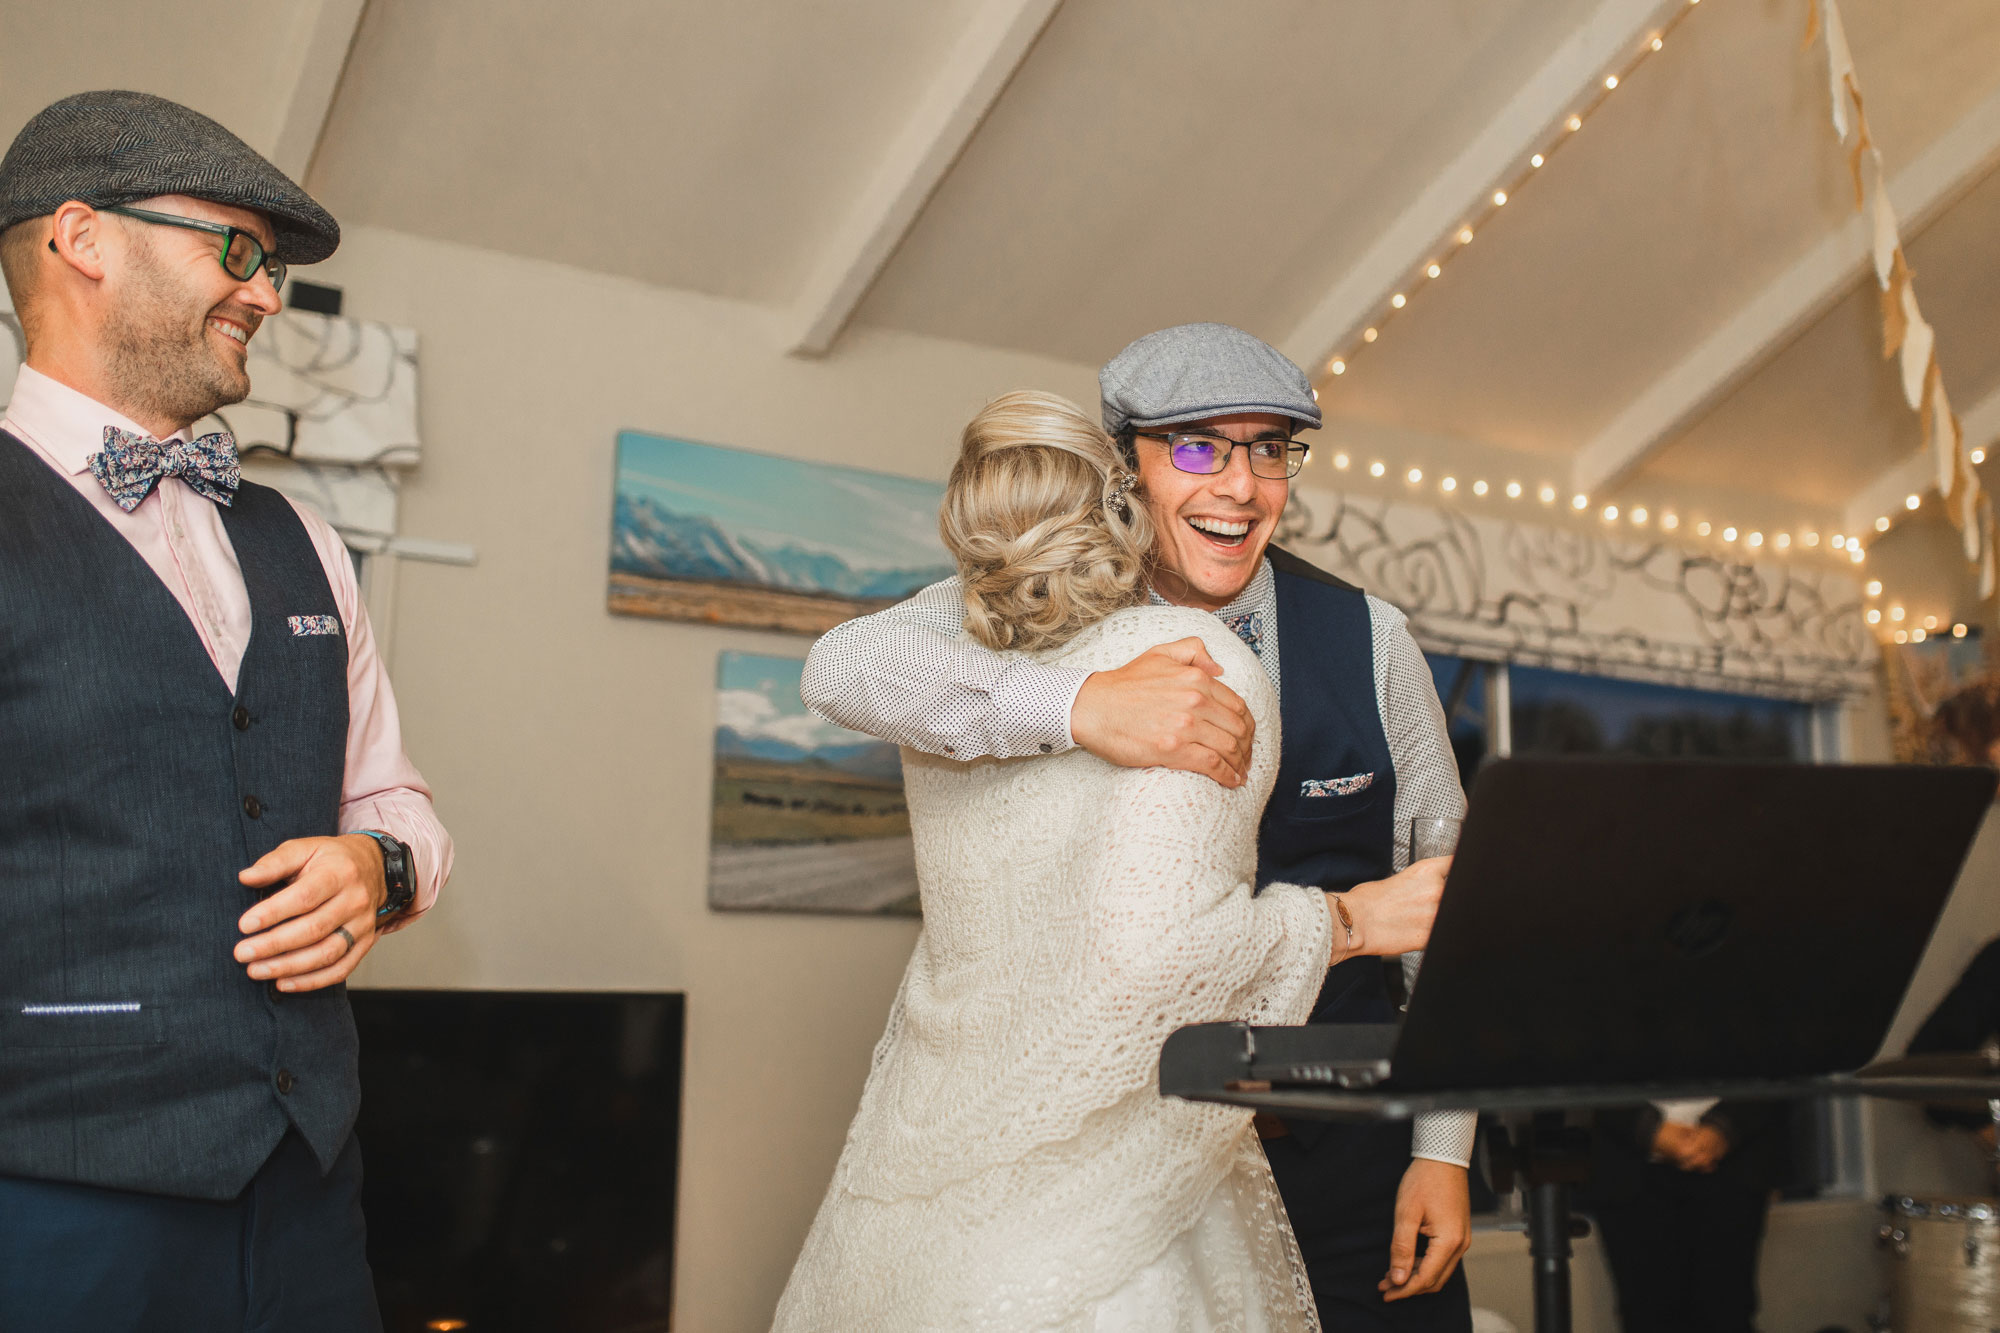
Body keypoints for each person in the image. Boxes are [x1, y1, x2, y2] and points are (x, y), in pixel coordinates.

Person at [802, 323, 1477, 1328]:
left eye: (1269, 449)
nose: (1238, 488)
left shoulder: (1368, 638)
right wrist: (1077, 705)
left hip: (1350, 1154)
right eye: (1197, 447)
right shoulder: (1039, 605)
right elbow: (844, 667)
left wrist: (1441, 1152)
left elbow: (1444, 904)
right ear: (1127, 466)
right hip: (1144, 1162)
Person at [0, 91, 452, 1330]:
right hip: (48, 1198)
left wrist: (379, 864)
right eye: (237, 249)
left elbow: (393, 796)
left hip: (309, 1185)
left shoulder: (304, 538)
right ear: (83, 239)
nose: (265, 292)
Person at [1581, 1099, 1790, 1333]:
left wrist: (1723, 1128)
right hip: (1626, 1159)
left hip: (1735, 1157)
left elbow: (1771, 1071)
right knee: (1647, 1315)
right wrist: (1650, 1130)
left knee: (1727, 1312)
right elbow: (1577, 1070)